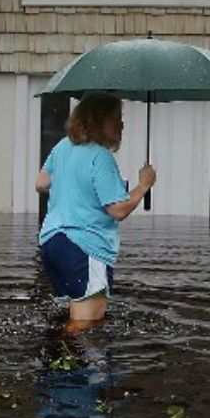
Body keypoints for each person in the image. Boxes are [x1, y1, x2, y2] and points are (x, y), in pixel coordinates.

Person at [36, 92, 155, 332]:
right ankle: (65, 367)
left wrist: (73, 182)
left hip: (52, 242)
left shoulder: (62, 146)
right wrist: (144, 185)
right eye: (115, 119)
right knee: (87, 323)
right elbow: (118, 210)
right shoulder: (101, 157)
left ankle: (61, 362)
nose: (121, 124)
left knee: (78, 313)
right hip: (83, 245)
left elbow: (41, 183)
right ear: (95, 121)